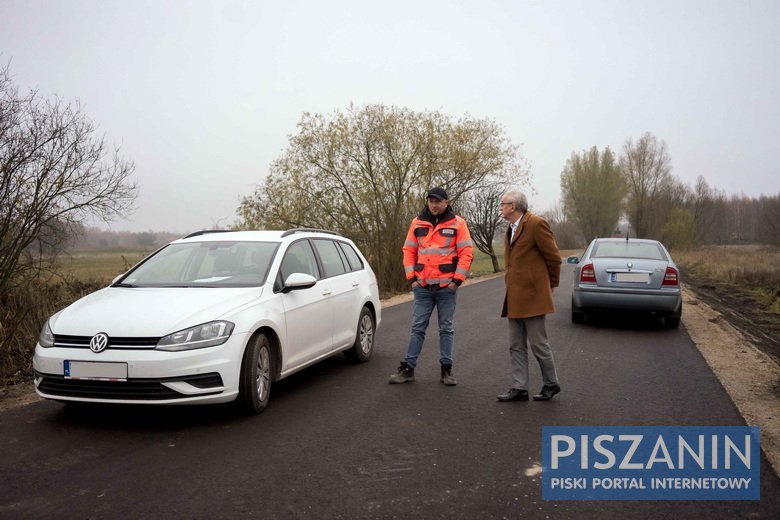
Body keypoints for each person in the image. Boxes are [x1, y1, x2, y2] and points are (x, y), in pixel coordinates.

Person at [389, 187, 473, 385]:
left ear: (446, 202)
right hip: (423, 287)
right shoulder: (417, 223)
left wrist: (456, 282)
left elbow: (466, 253)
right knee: (417, 327)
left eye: (437, 201)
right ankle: (408, 369)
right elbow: (408, 250)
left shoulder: (458, 223)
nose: (434, 205)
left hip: (446, 288)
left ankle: (446, 370)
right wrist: (413, 278)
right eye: (431, 201)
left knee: (446, 329)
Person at [496, 190, 563, 402]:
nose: (501, 207)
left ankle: (551, 383)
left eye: (503, 204)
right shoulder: (510, 228)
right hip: (514, 296)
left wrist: (551, 285)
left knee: (538, 344)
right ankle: (519, 387)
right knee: (515, 344)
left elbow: (554, 258)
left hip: (533, 296)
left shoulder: (536, 224)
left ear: (513, 206)